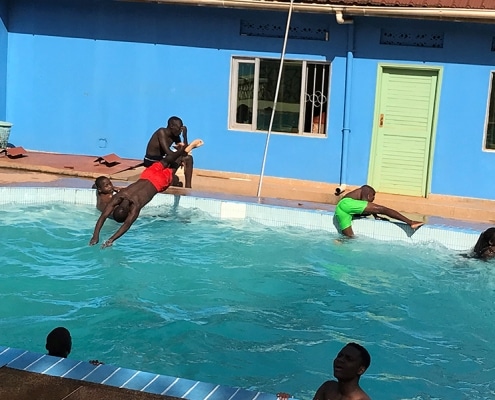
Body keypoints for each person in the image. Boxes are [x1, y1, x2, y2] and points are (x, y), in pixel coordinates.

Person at [90, 139, 203, 248]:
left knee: (173, 167)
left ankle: (186, 150)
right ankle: (181, 150)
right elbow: (103, 216)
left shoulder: (136, 205)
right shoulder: (120, 195)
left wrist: (111, 240)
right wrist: (95, 235)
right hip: (147, 175)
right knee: (166, 161)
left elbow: (126, 225)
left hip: (157, 183)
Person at [335, 185, 424, 238]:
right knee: (382, 209)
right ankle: (410, 222)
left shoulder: (359, 194)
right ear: (370, 194)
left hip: (340, 210)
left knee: (349, 238)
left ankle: (338, 242)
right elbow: (367, 205)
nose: (373, 199)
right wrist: (376, 212)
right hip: (347, 204)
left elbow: (365, 208)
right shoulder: (366, 189)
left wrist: (375, 215)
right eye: (373, 197)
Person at [143, 116, 195, 188]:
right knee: (179, 157)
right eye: (179, 128)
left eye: (181, 129)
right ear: (171, 126)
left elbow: (184, 151)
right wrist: (180, 155)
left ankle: (188, 187)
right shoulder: (161, 132)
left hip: (162, 160)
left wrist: (185, 136)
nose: (180, 131)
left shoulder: (175, 135)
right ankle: (170, 180)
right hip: (152, 161)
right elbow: (168, 152)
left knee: (188, 158)